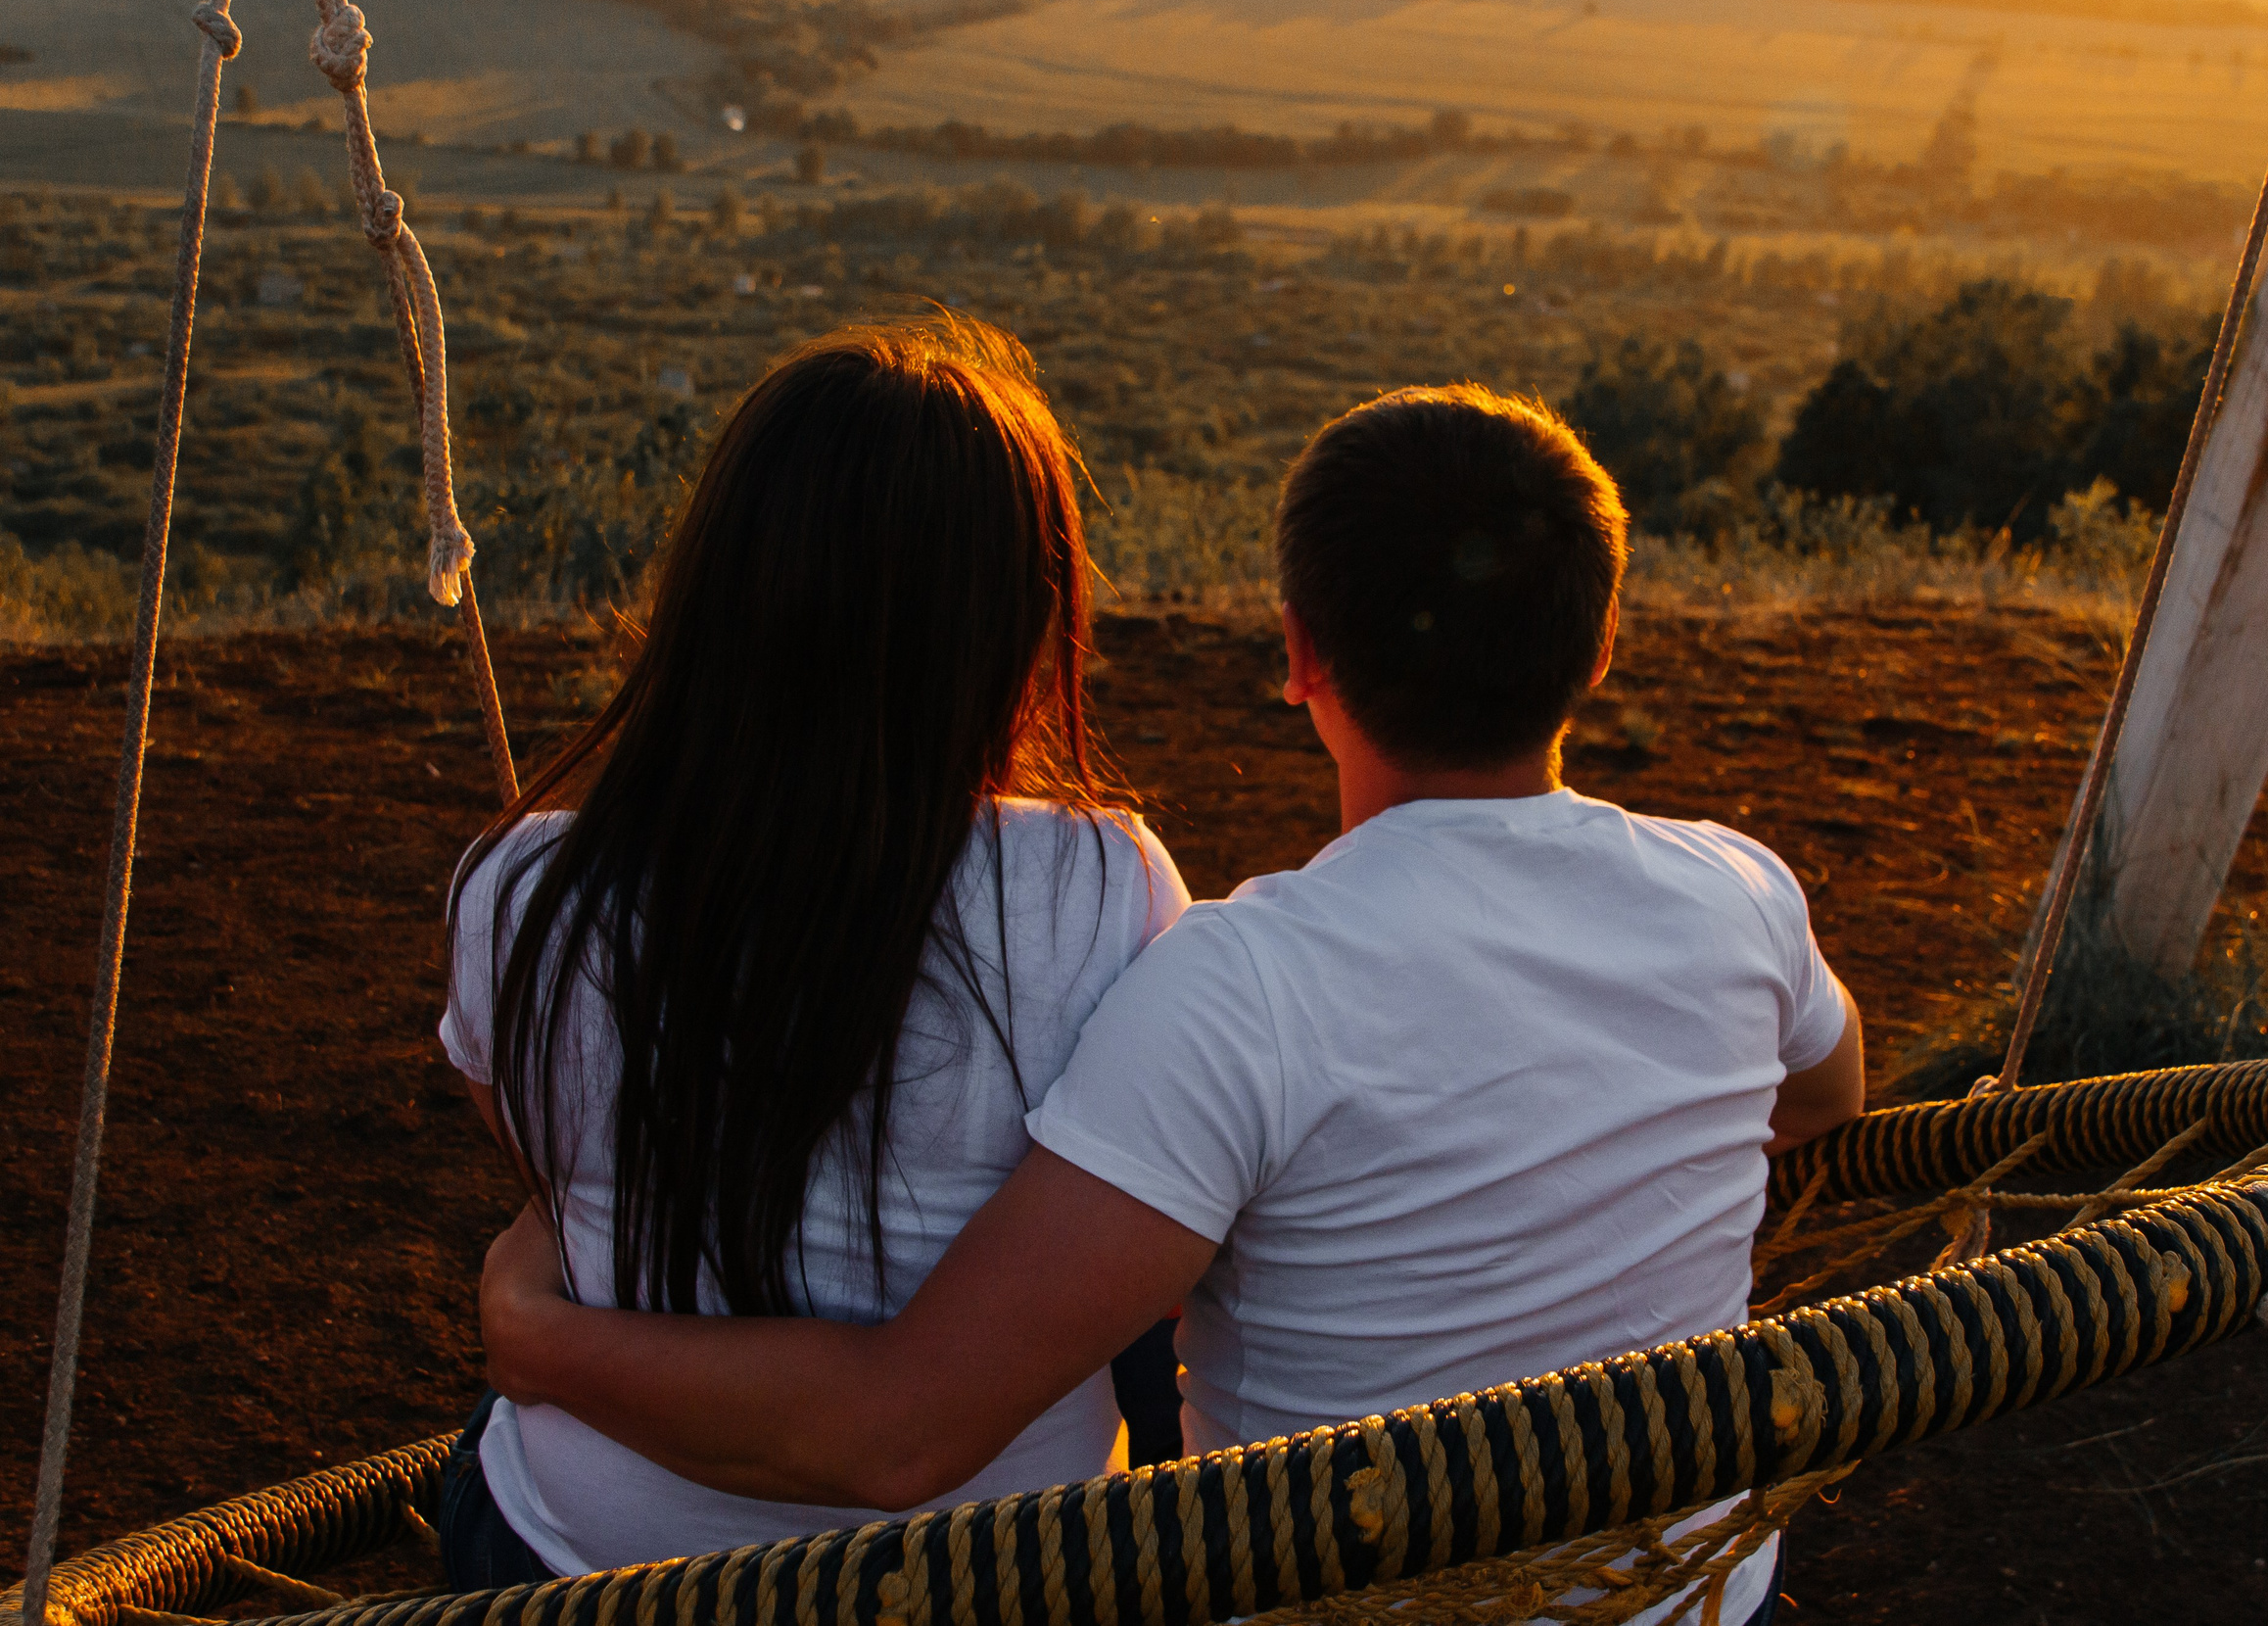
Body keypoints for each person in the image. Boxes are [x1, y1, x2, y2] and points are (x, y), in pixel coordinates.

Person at [478, 384, 1866, 1626]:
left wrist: (534, 1331)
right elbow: (1822, 1095)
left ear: (1300, 652)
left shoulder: (1239, 984)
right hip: (1687, 1593)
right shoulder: (1740, 894)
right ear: (1603, 638)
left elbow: (898, 1425)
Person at [434, 321, 1189, 1586]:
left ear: (716, 594)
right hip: (980, 1574)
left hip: (572, 1573)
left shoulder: (520, 892)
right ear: (1019, 621)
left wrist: (532, 1326)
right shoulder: (1104, 889)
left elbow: (555, 1173)